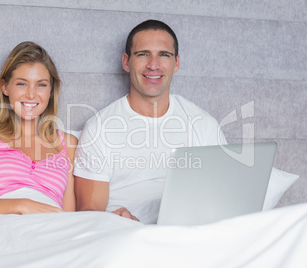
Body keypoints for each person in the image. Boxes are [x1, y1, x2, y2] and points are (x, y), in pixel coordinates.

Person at [73, 20, 226, 224]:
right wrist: (114, 219)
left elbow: (223, 195)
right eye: (143, 54)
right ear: (126, 62)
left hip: (190, 234)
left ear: (176, 63)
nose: (153, 65)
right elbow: (89, 213)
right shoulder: (99, 129)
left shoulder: (203, 125)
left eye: (164, 55)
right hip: (129, 235)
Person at [0, 41, 77, 218]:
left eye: (41, 85)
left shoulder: (68, 144)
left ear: (51, 91)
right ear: (5, 87)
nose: (31, 94)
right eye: (21, 84)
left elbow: (70, 217)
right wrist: (22, 205)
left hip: (50, 231)